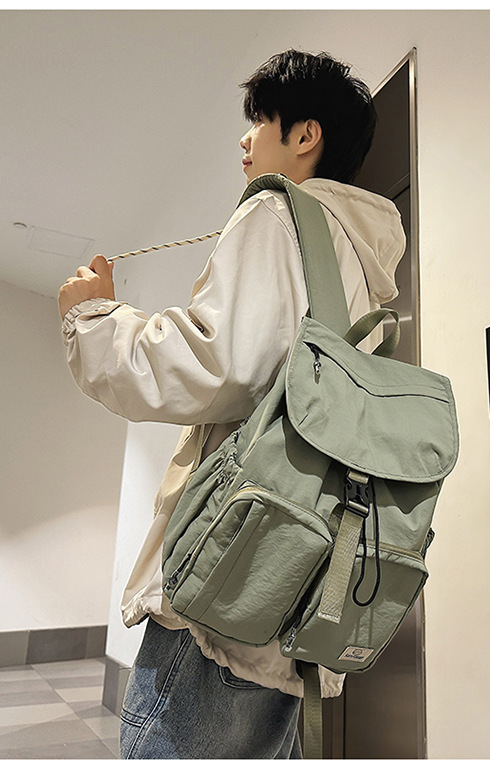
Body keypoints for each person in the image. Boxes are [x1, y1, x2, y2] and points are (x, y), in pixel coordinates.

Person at [59, 49, 406, 759]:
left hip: (229, 583)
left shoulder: (277, 211)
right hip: (305, 592)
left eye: (260, 122)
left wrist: (94, 321)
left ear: (304, 135)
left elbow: (213, 364)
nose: (244, 141)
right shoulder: (364, 268)